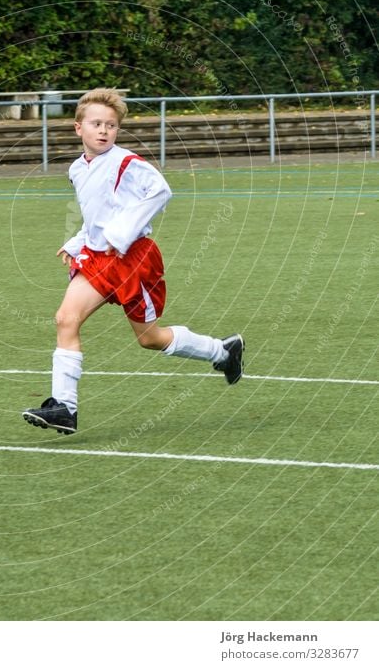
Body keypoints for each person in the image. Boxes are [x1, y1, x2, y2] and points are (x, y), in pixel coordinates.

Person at [22, 88, 244, 435]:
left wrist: (119, 233)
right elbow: (97, 213)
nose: (104, 130)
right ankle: (64, 407)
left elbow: (162, 192)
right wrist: (79, 241)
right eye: (96, 123)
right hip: (97, 259)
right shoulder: (77, 169)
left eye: (111, 125)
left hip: (132, 259)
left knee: (149, 338)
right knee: (66, 319)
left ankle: (222, 351)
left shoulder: (128, 162)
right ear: (78, 127)